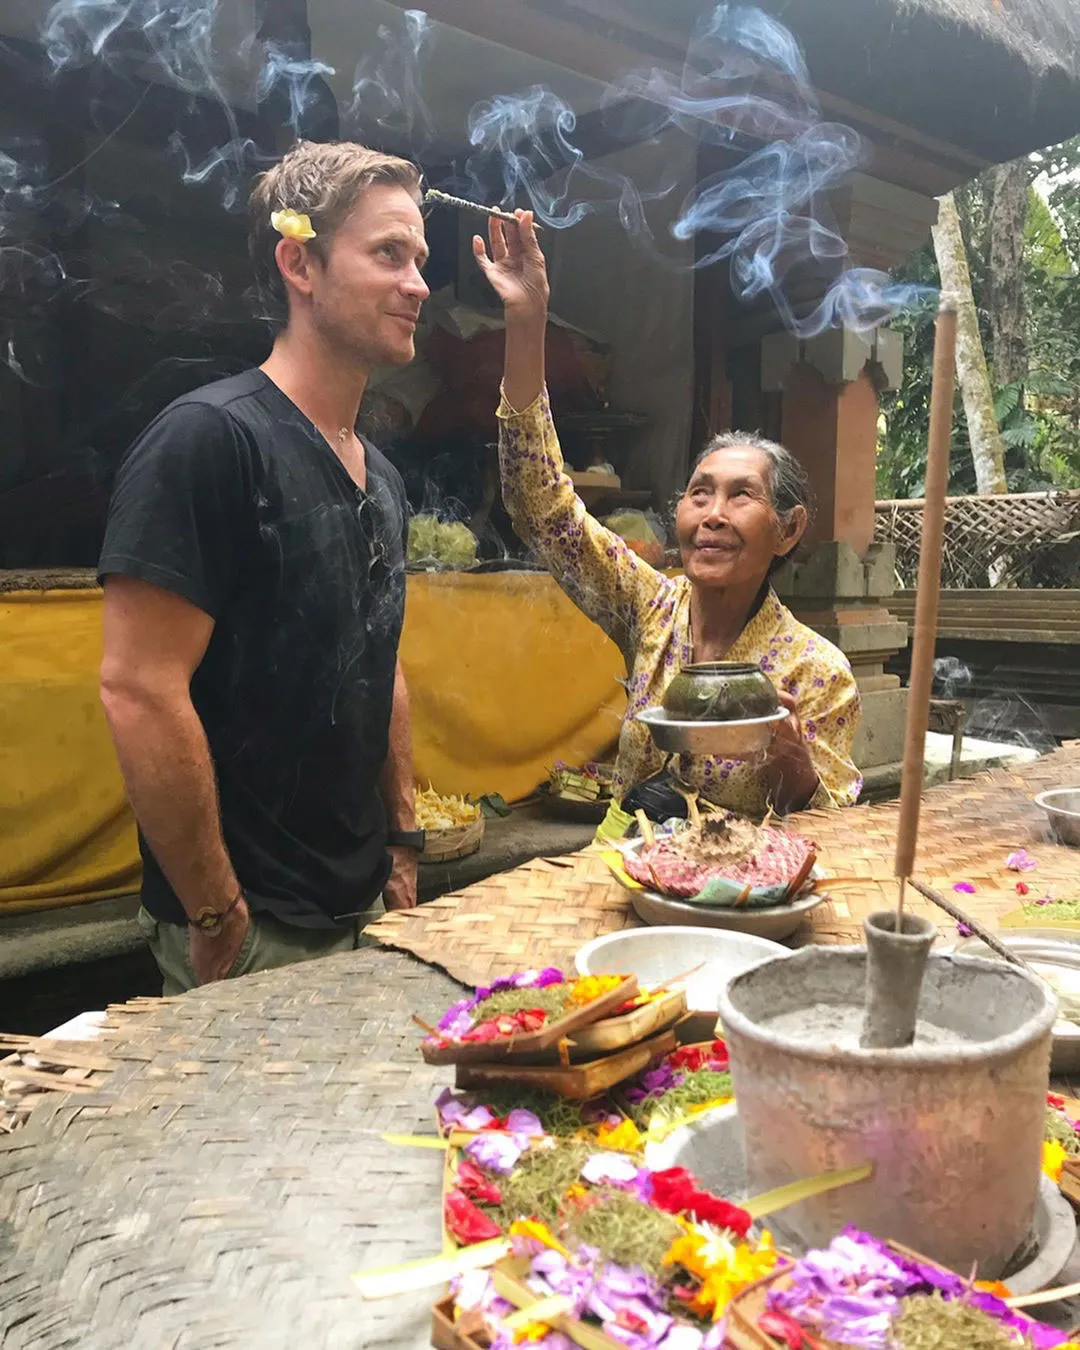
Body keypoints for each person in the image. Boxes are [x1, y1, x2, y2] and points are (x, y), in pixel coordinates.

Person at [99, 141, 430, 995]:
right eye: (388, 253)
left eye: (419, 259)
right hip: (251, 927)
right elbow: (138, 689)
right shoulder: (209, 440)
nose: (419, 285)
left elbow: (379, 658)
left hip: (363, 903)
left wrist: (402, 839)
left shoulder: (381, 477)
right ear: (299, 263)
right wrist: (217, 912)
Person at [474, 210, 862, 832]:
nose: (712, 516)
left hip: (735, 882)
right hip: (624, 865)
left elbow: (834, 832)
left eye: (741, 496)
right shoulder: (649, 606)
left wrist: (792, 762)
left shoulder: (817, 672)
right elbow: (541, 506)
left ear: (788, 530)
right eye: (699, 493)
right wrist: (527, 323)